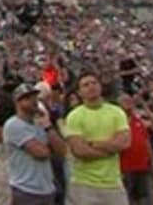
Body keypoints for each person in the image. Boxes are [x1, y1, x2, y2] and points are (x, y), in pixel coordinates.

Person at [62, 72, 130, 205]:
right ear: (79, 92)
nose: (91, 87)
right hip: (84, 184)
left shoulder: (117, 112)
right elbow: (80, 151)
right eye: (86, 85)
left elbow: (125, 142)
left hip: (113, 182)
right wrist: (111, 148)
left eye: (94, 83)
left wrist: (93, 144)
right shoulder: (74, 116)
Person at [4, 83, 67, 205]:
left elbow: (62, 151)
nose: (34, 101)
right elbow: (41, 153)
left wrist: (48, 125)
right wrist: (50, 148)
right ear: (17, 102)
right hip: (26, 189)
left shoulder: (39, 123)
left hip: (47, 188)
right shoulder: (13, 124)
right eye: (27, 98)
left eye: (35, 97)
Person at [116, 95, 153, 205]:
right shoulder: (116, 122)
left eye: (129, 100)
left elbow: (146, 141)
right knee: (129, 198)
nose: (128, 102)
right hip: (125, 166)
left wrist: (152, 159)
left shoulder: (137, 120)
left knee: (145, 197)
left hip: (142, 165)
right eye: (125, 101)